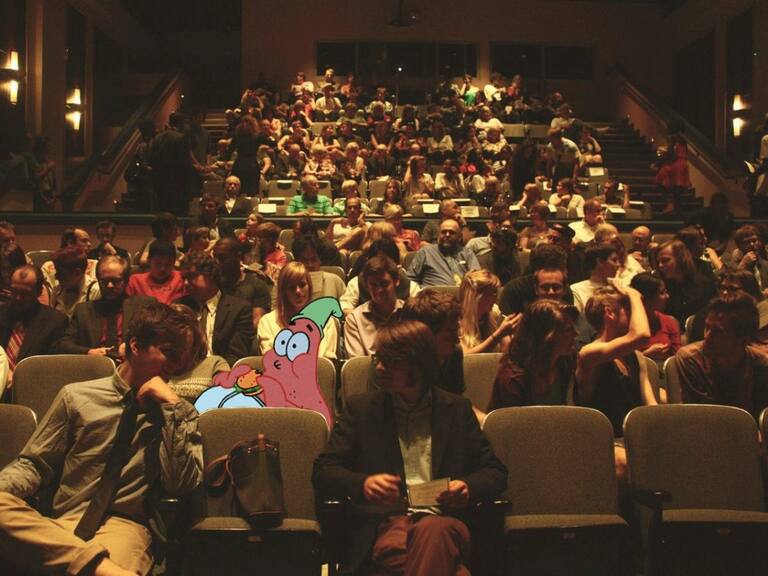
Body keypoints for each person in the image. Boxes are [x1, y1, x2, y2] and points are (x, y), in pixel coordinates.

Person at [0, 302, 204, 576]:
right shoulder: (77, 397)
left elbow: (180, 485)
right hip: (62, 524)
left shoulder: (179, 413)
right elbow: (35, 464)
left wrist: (173, 410)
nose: (177, 365)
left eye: (183, 357)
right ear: (136, 345)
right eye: (170, 352)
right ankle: (101, 567)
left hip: (124, 527)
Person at [313, 320, 507, 576]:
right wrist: (363, 484)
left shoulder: (456, 410)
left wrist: (467, 487)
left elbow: (495, 472)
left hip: (447, 521)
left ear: (420, 365)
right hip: (388, 524)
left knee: (433, 529)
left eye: (392, 362)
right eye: (378, 359)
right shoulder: (362, 410)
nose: (379, 368)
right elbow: (324, 470)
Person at [576, 285, 656, 476]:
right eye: (630, 308)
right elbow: (642, 335)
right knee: (626, 464)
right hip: (603, 441)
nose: (638, 315)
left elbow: (651, 407)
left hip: (635, 439)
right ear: (609, 313)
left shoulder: (636, 356)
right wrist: (633, 294)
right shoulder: (589, 353)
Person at [675, 292, 768, 419]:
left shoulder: (761, 365)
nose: (707, 336)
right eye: (707, 327)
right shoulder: (691, 359)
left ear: (744, 340)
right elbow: (700, 415)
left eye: (718, 331)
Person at [58, 256, 155, 358]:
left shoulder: (143, 306)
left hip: (132, 363)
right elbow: (63, 344)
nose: (110, 286)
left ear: (126, 281)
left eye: (116, 281)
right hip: (95, 364)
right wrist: (89, 352)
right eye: (104, 281)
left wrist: (134, 347)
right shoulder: (83, 311)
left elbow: (157, 339)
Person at [489, 299, 578, 410]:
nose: (576, 333)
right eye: (569, 329)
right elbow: (513, 421)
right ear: (547, 337)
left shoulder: (565, 361)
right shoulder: (513, 379)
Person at [174, 252, 254, 367]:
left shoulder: (239, 309)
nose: (186, 283)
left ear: (210, 275)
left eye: (192, 276)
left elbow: (236, 355)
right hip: (185, 371)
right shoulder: (179, 307)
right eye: (184, 278)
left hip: (222, 370)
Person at [0, 265, 68, 387]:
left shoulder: (55, 321)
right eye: (14, 291)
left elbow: (49, 367)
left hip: (30, 385)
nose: (18, 298)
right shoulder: (2, 312)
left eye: (25, 293)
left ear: (39, 291)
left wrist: (17, 377)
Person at [257, 262, 339, 360]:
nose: (298, 291)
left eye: (302, 285)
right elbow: (273, 360)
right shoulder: (267, 322)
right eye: (291, 287)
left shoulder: (326, 321)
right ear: (283, 291)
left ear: (309, 286)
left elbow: (323, 362)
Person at [344, 255, 404, 358]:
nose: (379, 290)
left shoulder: (410, 312)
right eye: (373, 284)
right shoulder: (354, 319)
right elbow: (358, 364)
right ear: (367, 286)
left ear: (396, 281)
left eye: (384, 284)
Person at [212, 237, 272, 329]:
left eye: (222, 258)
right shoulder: (213, 284)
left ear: (238, 257)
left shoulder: (257, 285)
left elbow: (257, 323)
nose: (217, 262)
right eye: (215, 257)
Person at [655, 239, 717, 327]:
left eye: (665, 260)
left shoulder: (705, 284)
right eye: (659, 262)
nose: (660, 265)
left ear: (681, 259)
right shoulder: (661, 286)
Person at [500, 244, 574, 315]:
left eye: (556, 287)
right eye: (545, 287)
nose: (551, 292)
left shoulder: (565, 290)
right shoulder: (514, 290)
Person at [407, 219, 480, 288]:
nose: (447, 235)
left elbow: (477, 277)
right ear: (438, 235)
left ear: (459, 236)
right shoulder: (425, 252)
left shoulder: (467, 253)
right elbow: (411, 279)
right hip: (433, 295)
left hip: (461, 294)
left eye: (452, 232)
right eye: (443, 232)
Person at [458, 270, 518, 354]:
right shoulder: (455, 319)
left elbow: (503, 352)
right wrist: (498, 335)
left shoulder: (494, 313)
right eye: (492, 294)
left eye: (496, 294)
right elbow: (466, 357)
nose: (496, 298)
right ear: (475, 296)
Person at [629, 272, 681, 366]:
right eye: (662, 293)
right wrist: (646, 355)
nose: (667, 296)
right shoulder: (625, 325)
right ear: (645, 298)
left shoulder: (669, 321)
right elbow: (623, 364)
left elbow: (677, 358)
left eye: (666, 291)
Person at [49, 248, 101, 317]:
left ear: (77, 273)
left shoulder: (95, 292)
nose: (56, 277)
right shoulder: (57, 290)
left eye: (61, 273)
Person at [570, 243, 621, 313]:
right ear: (600, 261)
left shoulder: (619, 288)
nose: (618, 264)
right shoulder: (577, 289)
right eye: (614, 260)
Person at [292, 234, 346, 301]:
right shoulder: (289, 284)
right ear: (296, 262)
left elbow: (345, 304)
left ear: (320, 260)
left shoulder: (335, 281)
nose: (310, 265)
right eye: (304, 260)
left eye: (314, 259)